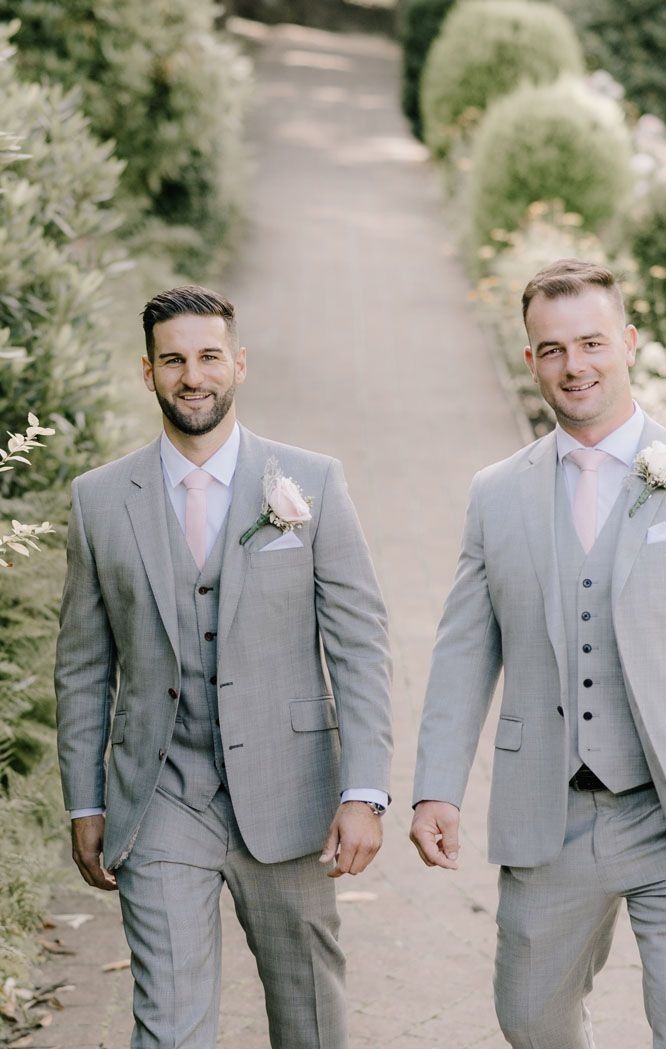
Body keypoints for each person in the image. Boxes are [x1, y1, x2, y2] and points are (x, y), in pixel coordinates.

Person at [55, 284, 392, 1049]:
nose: (192, 375)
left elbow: (360, 645)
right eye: (172, 360)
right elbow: (81, 665)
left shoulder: (312, 482)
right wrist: (84, 801)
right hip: (161, 795)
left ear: (238, 364)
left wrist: (364, 789)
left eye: (209, 357)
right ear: (148, 372)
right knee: (169, 1025)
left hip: (291, 793)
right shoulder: (99, 500)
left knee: (309, 1016)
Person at [410, 258, 666, 1048]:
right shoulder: (496, 492)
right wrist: (436, 787)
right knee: (531, 1018)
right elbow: (464, 650)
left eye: (592, 342)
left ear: (630, 342)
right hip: (552, 807)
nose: (575, 365)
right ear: (531, 358)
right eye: (552, 349)